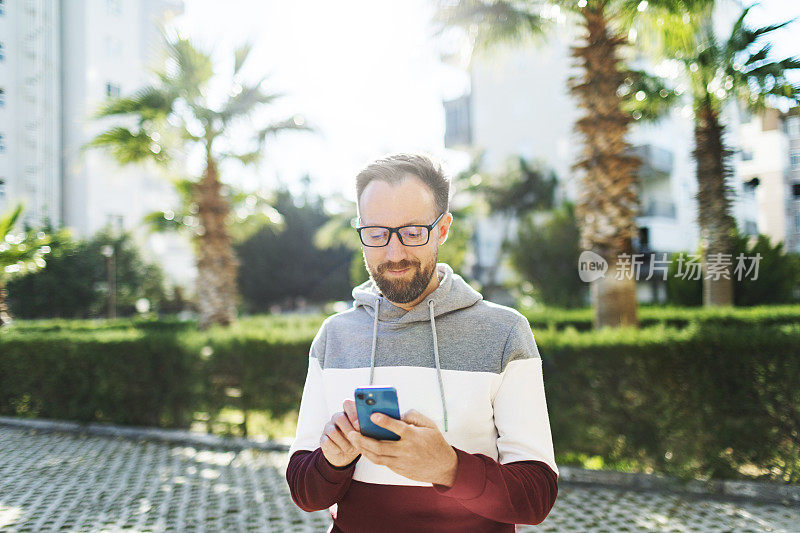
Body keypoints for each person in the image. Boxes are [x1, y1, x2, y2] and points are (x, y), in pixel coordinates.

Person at [285, 153, 558, 532]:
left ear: (442, 229)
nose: (394, 254)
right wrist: (332, 461)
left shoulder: (505, 332)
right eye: (377, 234)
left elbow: (536, 497)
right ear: (360, 231)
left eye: (413, 232)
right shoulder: (334, 336)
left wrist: (448, 467)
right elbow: (305, 492)